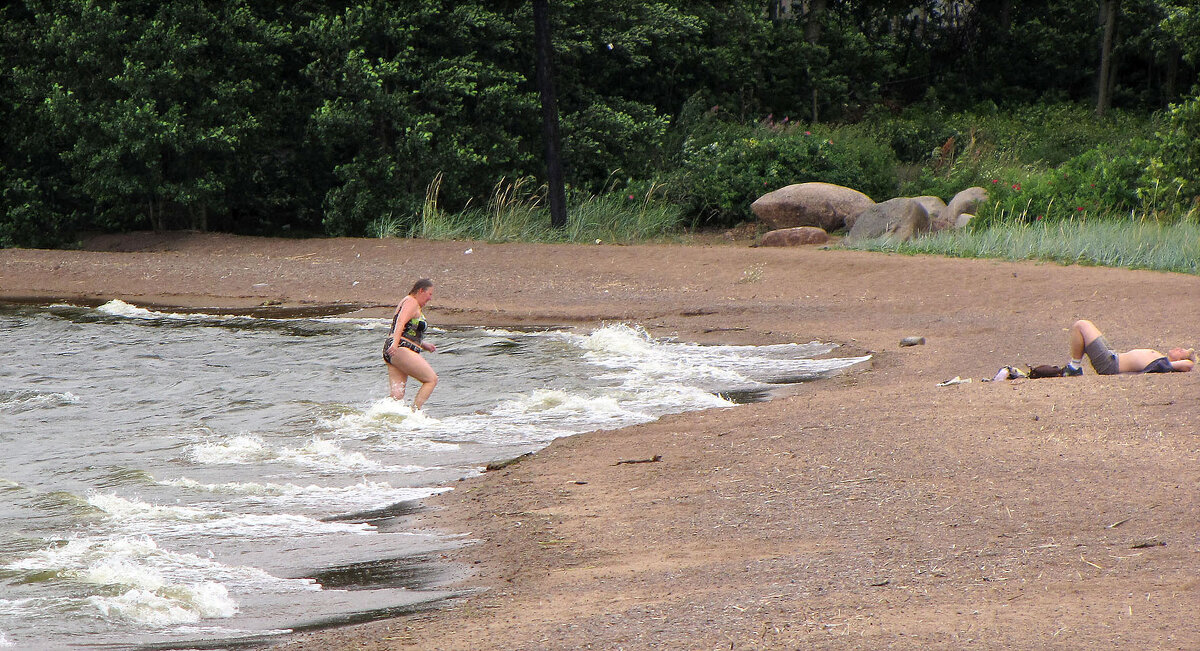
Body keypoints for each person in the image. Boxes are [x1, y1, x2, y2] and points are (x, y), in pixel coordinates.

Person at [1064, 319, 1195, 376]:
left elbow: (1188, 364)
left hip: (1111, 364)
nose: (1178, 348)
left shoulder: (1163, 365)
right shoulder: (1162, 361)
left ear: (1180, 360)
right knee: (1086, 325)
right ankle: (1074, 367)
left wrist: (1180, 363)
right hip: (1113, 355)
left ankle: (1074, 367)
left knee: (1081, 325)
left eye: (1181, 351)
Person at [383, 278, 438, 407]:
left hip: (395, 349)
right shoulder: (411, 301)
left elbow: (407, 330)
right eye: (429, 294)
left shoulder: (409, 302)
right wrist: (395, 344)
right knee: (431, 379)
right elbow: (400, 322)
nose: (430, 298)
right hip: (400, 348)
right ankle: (415, 412)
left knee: (397, 395)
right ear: (421, 291)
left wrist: (423, 344)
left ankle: (384, 414)